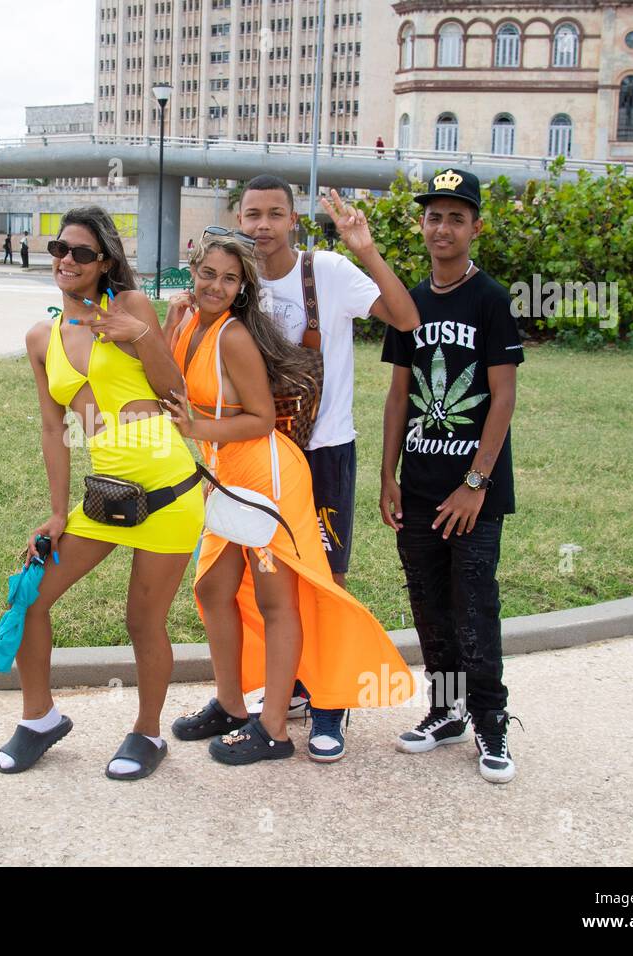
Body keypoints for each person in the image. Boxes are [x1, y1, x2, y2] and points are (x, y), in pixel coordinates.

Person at [165, 233, 411, 763]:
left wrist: (196, 426)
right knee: (212, 591)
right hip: (225, 475)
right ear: (192, 270)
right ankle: (232, 704)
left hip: (266, 479)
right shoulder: (189, 322)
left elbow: (257, 419)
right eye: (208, 273)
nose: (216, 285)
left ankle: (274, 727)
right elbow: (165, 376)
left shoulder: (233, 337)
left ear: (242, 288)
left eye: (230, 278)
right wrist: (168, 322)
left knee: (278, 600)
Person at [0, 205, 204, 780]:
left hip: (168, 489)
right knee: (29, 598)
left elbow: (175, 392)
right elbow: (52, 428)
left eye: (82, 253)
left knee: (143, 620)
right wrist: (58, 510)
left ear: (105, 262)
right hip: (105, 496)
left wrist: (138, 335)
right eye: (59, 249)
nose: (67, 260)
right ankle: (39, 718)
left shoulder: (131, 308)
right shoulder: (42, 339)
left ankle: (147, 732)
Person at [235, 174, 420, 756]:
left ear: (293, 220)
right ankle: (282, 686)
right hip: (261, 455)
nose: (262, 225)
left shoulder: (330, 272)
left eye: (274, 214)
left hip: (324, 451)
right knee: (268, 577)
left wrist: (364, 246)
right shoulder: (235, 283)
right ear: (238, 221)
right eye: (251, 215)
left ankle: (330, 703)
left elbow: (405, 318)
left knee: (327, 578)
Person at [380, 167, 523, 783]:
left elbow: (504, 395)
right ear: (423, 224)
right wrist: (387, 475)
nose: (443, 227)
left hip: (474, 492)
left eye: (456, 217)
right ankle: (446, 710)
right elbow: (397, 397)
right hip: (418, 484)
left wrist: (477, 481)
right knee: (429, 603)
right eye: (434, 216)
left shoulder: (489, 298)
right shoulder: (407, 301)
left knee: (473, 604)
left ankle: (490, 721)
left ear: (475, 227)